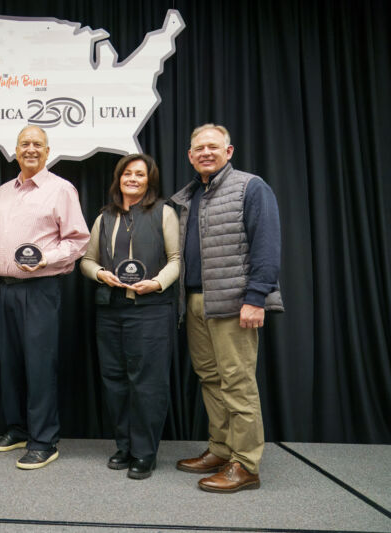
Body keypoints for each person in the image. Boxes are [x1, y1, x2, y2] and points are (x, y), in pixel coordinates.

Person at [171, 124, 283, 492]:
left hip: (235, 303)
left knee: (238, 381)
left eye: (212, 147)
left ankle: (246, 464)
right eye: (198, 148)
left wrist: (256, 297)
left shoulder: (251, 187)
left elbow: (266, 244)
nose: (205, 152)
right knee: (211, 379)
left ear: (228, 151)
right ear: (190, 156)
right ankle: (221, 449)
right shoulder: (188, 196)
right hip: (196, 300)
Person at [0, 125, 90, 470]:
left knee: (39, 366)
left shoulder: (61, 190)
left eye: (37, 144)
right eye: (24, 143)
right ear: (15, 149)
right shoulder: (2, 192)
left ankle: (44, 440)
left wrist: (46, 259)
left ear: (47, 152)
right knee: (9, 362)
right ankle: (16, 429)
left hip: (39, 289)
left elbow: (78, 240)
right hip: (3, 290)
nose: (30, 149)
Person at [80, 154, 179, 479]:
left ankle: (144, 453)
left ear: (149, 180)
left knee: (147, 384)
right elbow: (87, 260)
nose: (133, 178)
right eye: (127, 173)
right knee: (115, 382)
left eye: (140, 174)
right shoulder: (104, 217)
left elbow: (176, 260)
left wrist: (158, 282)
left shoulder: (164, 212)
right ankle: (124, 446)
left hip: (150, 311)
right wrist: (100, 275)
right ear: (118, 178)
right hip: (111, 310)